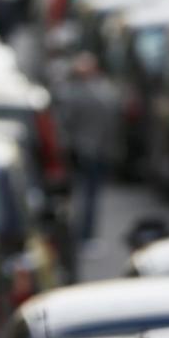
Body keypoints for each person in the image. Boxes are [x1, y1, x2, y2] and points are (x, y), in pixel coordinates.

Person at [55, 53, 117, 245]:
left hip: (80, 149)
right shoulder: (104, 92)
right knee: (89, 196)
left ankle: (76, 235)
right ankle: (85, 235)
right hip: (92, 150)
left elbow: (62, 122)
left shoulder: (70, 93)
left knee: (78, 196)